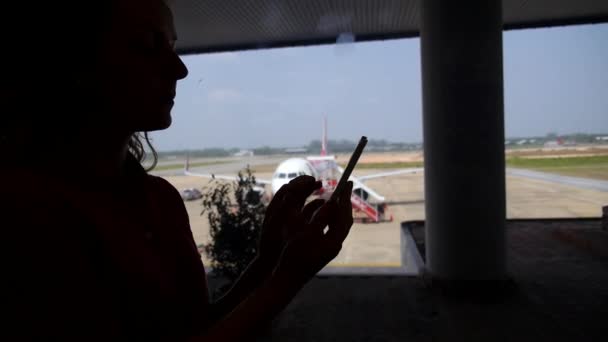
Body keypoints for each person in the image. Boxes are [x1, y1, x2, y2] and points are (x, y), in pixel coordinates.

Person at [1, 0, 354, 340]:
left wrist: (270, 261)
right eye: (147, 46)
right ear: (72, 65)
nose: (179, 69)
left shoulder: (161, 199)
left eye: (171, 45)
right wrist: (285, 280)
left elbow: (198, 327)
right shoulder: (26, 210)